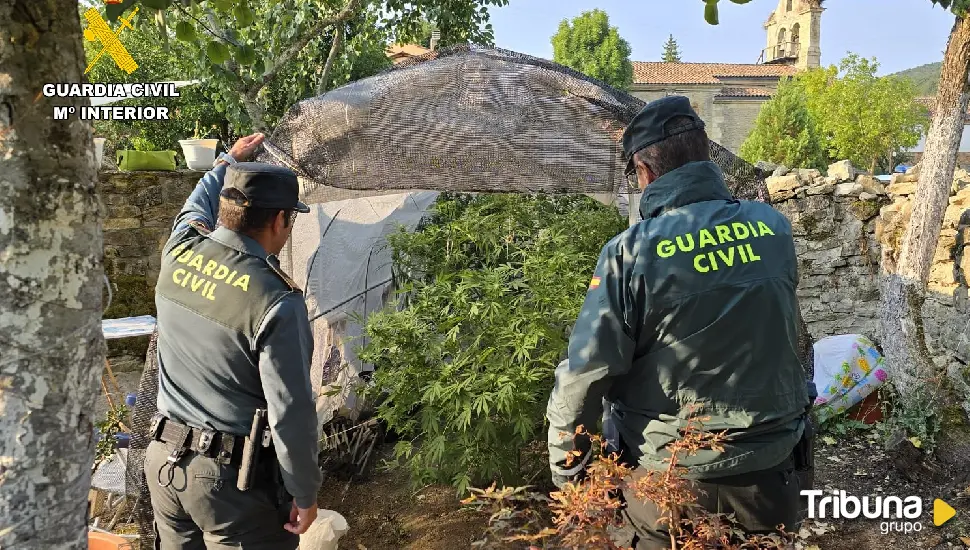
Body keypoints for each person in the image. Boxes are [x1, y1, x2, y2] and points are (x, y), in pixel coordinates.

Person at [545, 96, 815, 549]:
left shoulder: (629, 253)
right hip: (773, 472)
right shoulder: (773, 228)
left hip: (671, 481)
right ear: (705, 154)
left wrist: (572, 470)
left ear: (645, 171)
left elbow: (586, 373)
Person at [145, 132, 321, 549]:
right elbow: (290, 412)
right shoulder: (276, 300)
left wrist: (227, 160)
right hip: (229, 487)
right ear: (280, 220)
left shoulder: (180, 250)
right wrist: (305, 493)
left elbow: (192, 207)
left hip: (164, 467)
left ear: (225, 210)